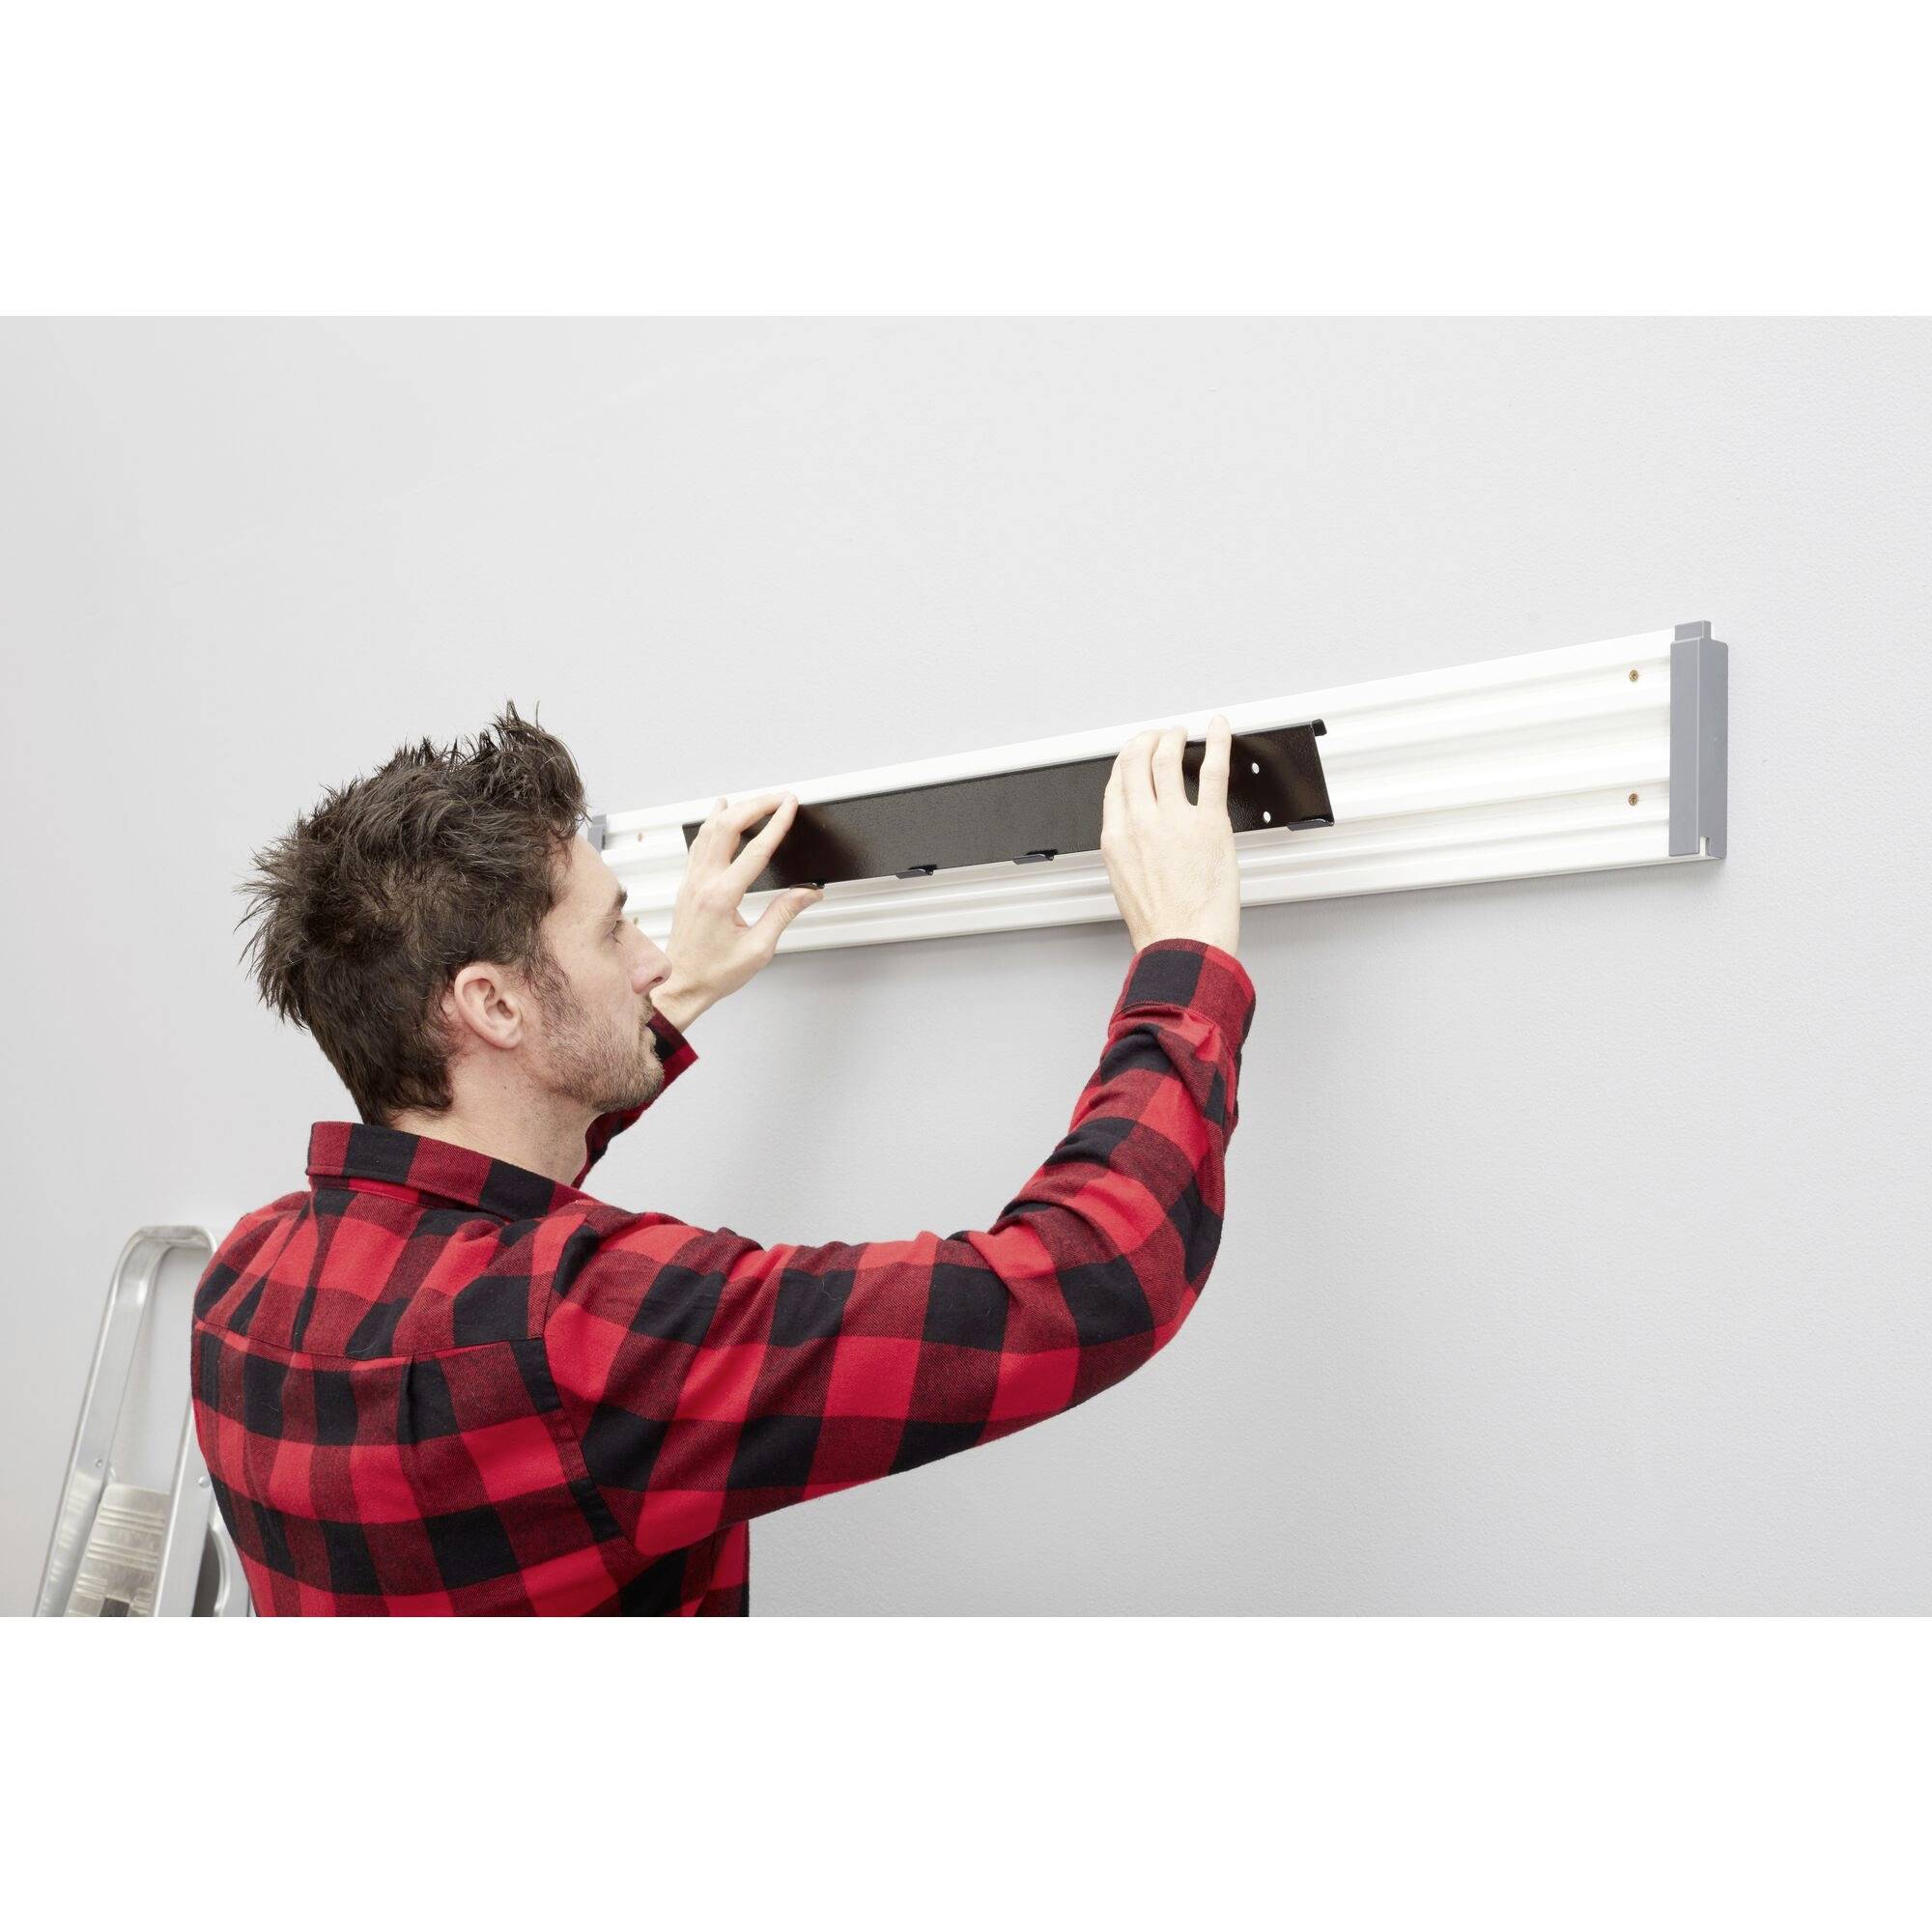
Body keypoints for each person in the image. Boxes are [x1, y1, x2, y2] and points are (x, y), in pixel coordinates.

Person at [191, 702, 1254, 1613]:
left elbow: (479, 1223)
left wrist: (657, 1011)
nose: (651, 956)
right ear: (494, 1003)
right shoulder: (592, 1333)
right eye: (614, 934)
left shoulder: (243, 1282)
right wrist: (1185, 952)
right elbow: (1093, 1276)